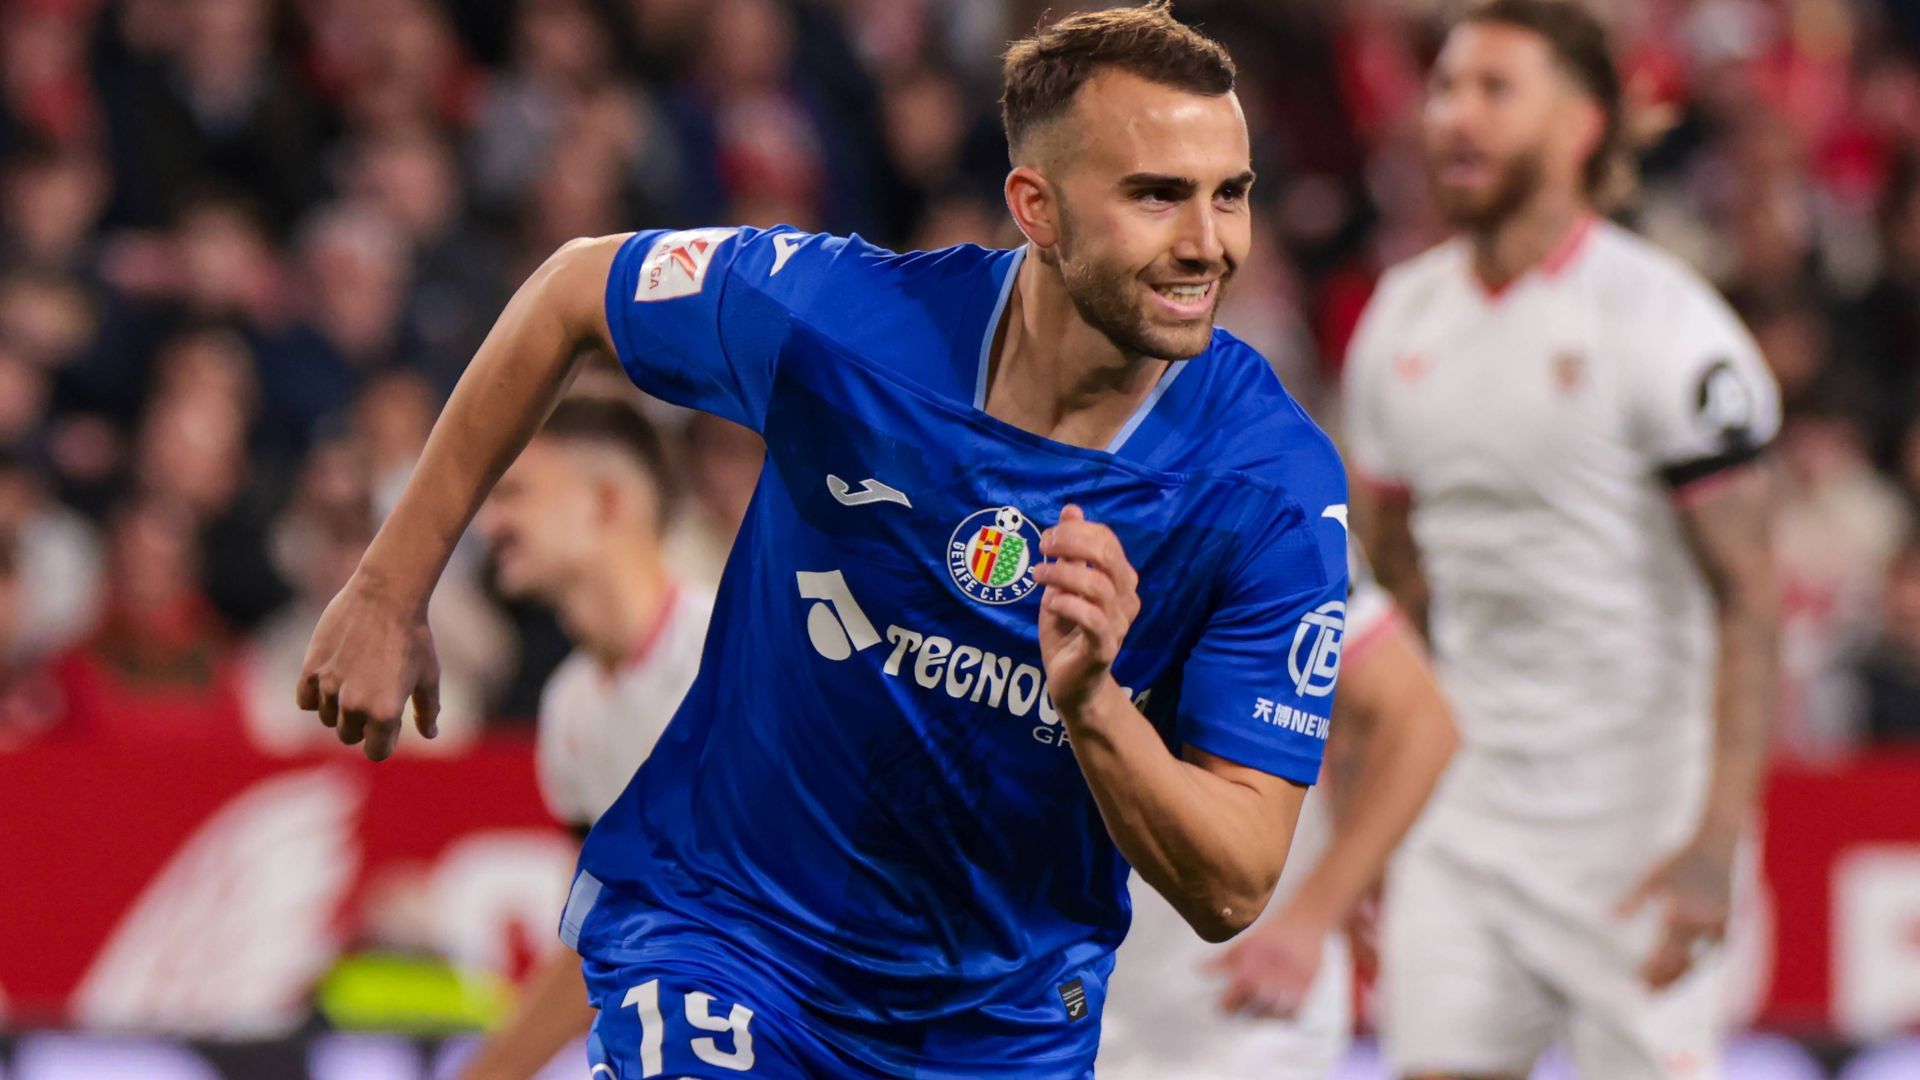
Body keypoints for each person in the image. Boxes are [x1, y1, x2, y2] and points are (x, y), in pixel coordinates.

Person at [297, 4, 1353, 1077]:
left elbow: (1234, 881)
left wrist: (1096, 708)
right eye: (1157, 195)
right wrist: (390, 587)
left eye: (1232, 193)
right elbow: (574, 287)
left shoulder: (1268, 487)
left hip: (1000, 1028)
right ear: (1035, 206)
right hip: (735, 942)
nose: (1208, 242)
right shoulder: (843, 324)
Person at [1342, 2, 1783, 1078]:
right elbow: (1388, 583)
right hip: (1465, 829)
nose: (1454, 117)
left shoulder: (1670, 330)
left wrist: (1719, 840)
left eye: (1495, 89)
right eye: (1445, 88)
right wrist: (1367, 811)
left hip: (1639, 837)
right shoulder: (1398, 321)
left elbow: (1751, 595)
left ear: (1583, 123)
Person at [1098, 546, 1456, 1079]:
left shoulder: (1273, 501)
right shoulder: (972, 488)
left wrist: (1312, 917)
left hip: (1224, 1013)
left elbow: (1421, 720)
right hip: (1030, 996)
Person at [458, 396, 714, 1080]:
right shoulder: (567, 707)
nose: (490, 523)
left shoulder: (728, 659)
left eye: (514, 493)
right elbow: (599, 939)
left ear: (605, 503)